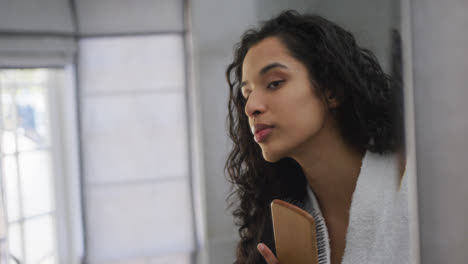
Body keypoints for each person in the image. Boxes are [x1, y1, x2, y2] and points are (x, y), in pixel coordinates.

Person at [224, 10, 408, 264]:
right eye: (247, 94)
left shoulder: (414, 187)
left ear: (332, 90)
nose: (251, 107)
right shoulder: (281, 230)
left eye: (275, 83)